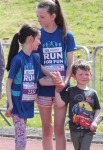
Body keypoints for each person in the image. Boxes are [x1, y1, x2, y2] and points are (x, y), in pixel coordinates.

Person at [5, 23, 62, 150]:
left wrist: (58, 82)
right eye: (38, 39)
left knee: (22, 134)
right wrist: (10, 104)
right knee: (21, 135)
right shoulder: (18, 59)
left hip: (27, 102)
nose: (40, 42)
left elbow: (41, 81)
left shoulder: (35, 59)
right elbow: (9, 82)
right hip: (17, 102)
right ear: (30, 39)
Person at [35, 0, 76, 149]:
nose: (38, 20)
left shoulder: (66, 35)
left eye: (42, 16)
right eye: (37, 16)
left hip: (62, 88)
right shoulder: (37, 35)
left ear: (53, 16)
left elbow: (70, 63)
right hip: (44, 88)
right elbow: (37, 62)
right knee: (47, 128)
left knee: (59, 128)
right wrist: (51, 76)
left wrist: (64, 82)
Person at [54, 60, 101, 150]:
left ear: (91, 75)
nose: (84, 77)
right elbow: (60, 104)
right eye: (80, 74)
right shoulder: (70, 91)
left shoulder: (93, 93)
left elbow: (97, 109)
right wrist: (56, 91)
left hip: (89, 130)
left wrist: (95, 122)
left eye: (86, 74)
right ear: (73, 76)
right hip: (74, 129)